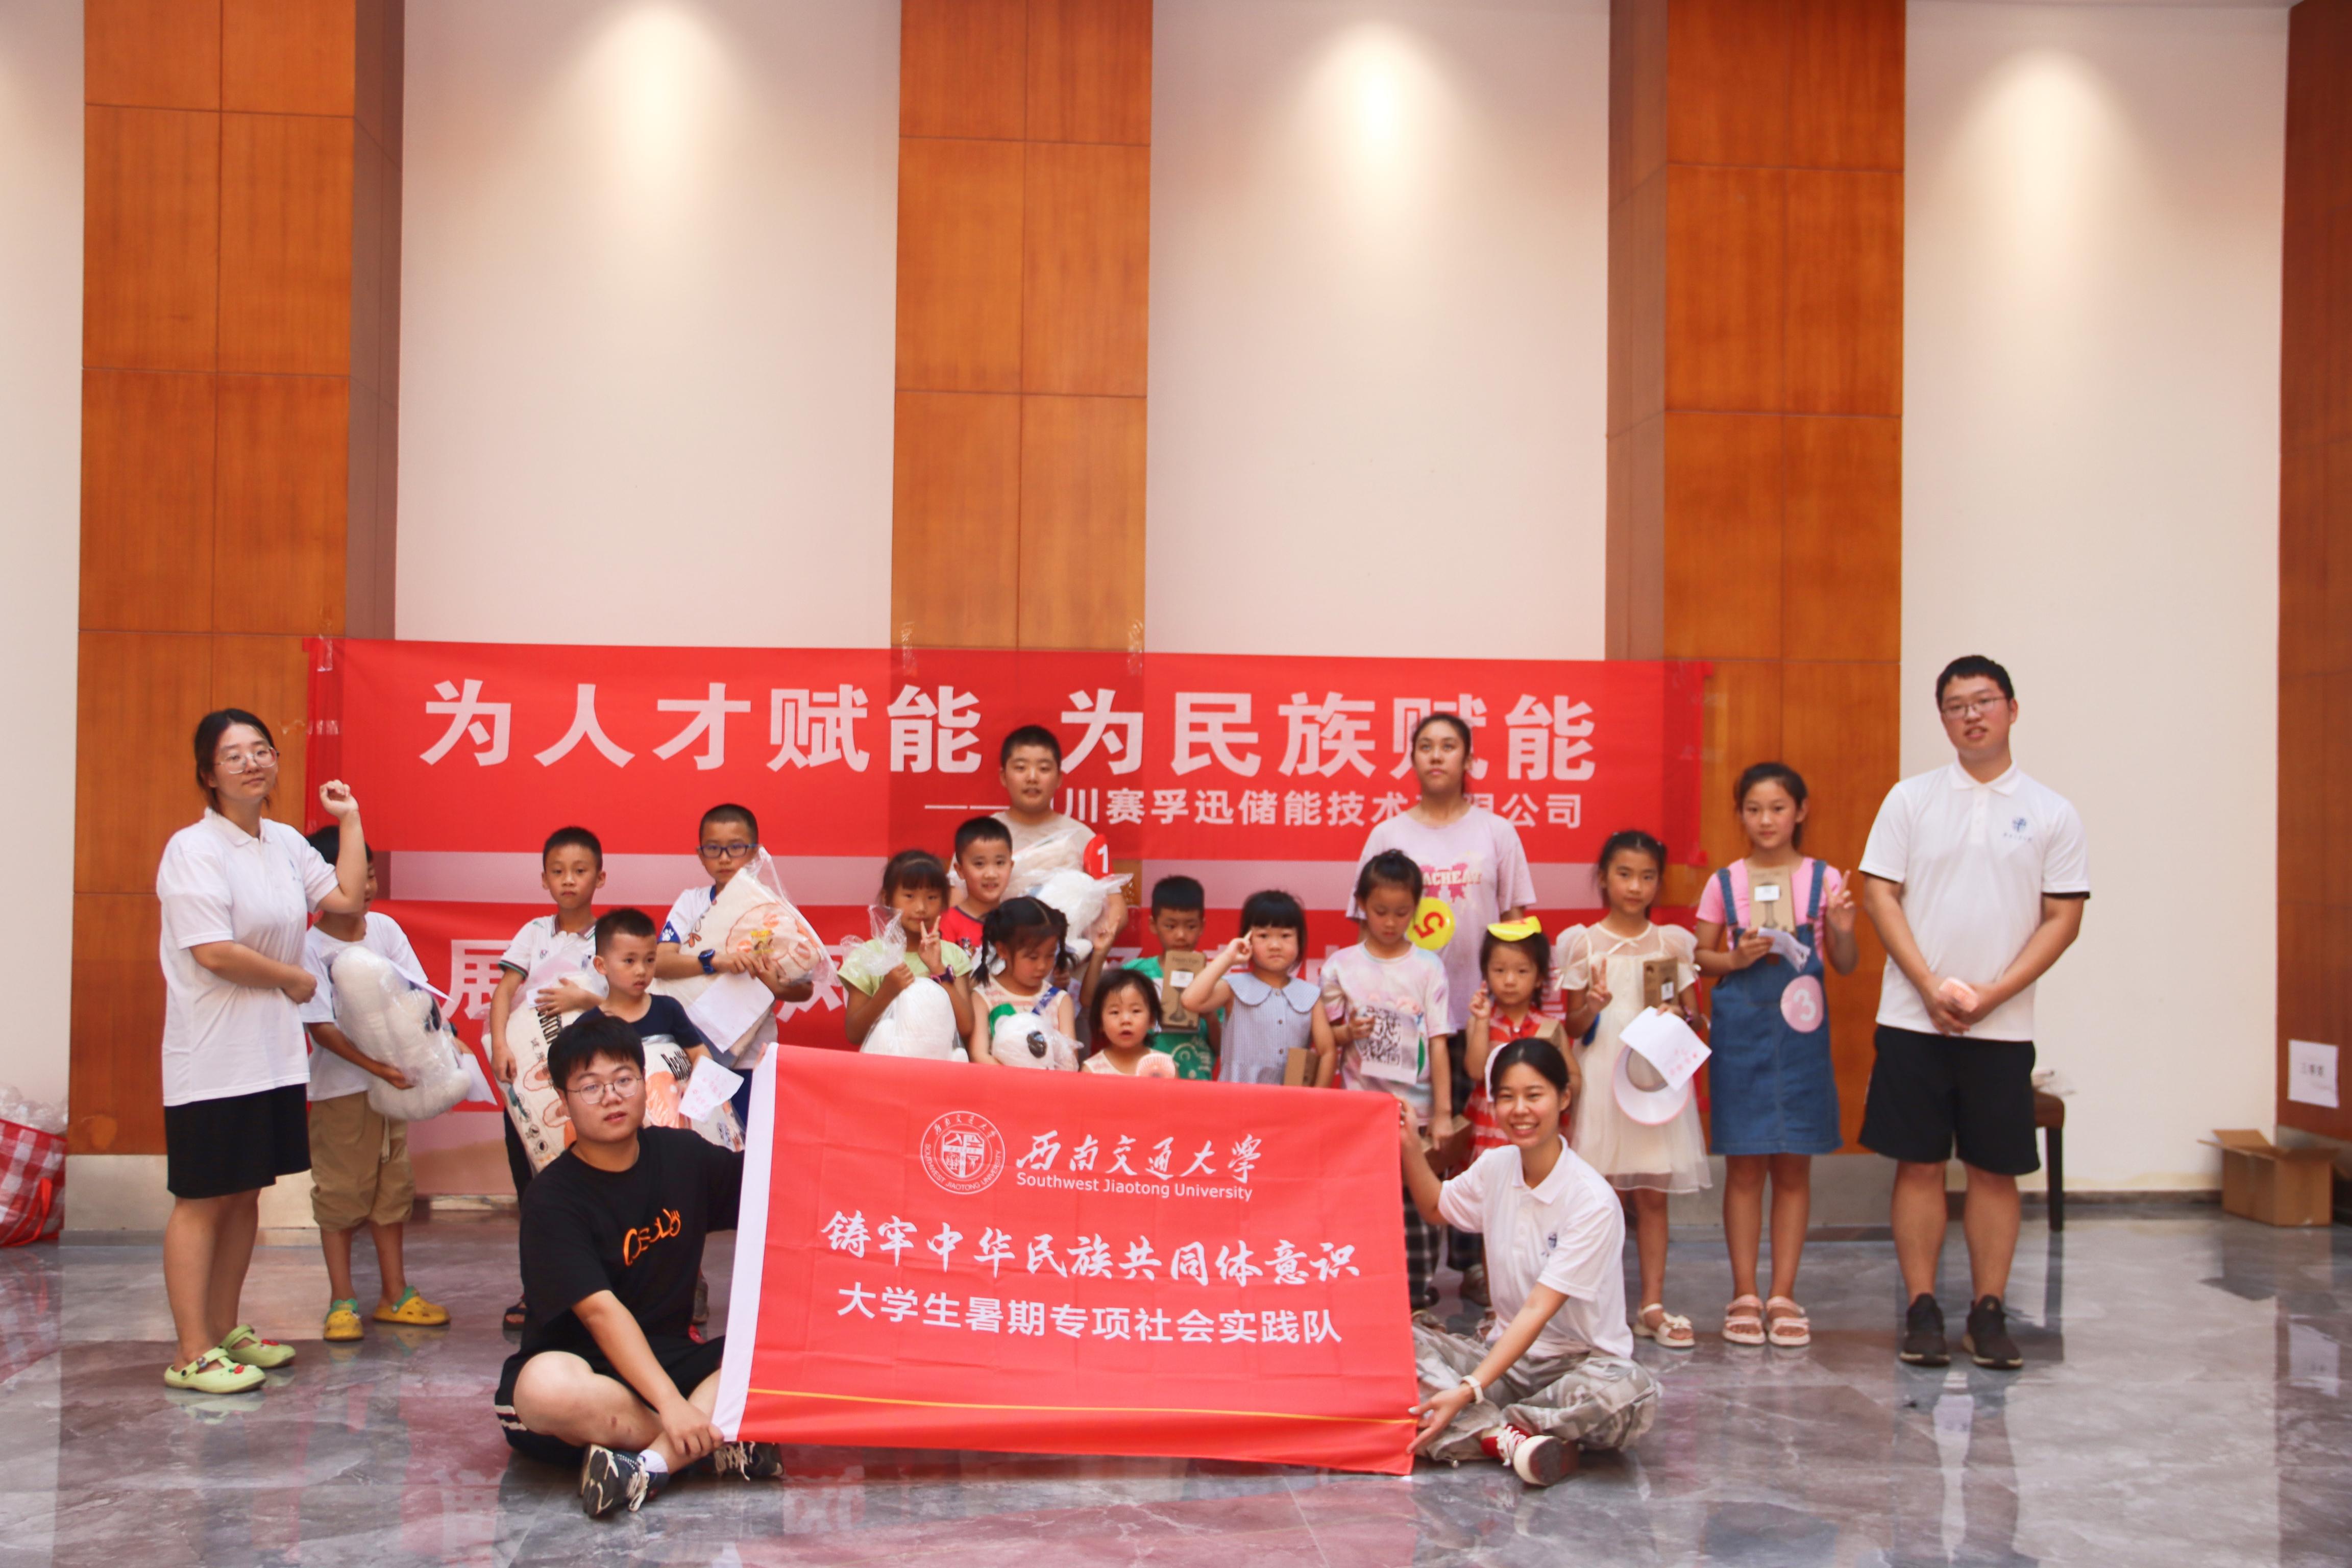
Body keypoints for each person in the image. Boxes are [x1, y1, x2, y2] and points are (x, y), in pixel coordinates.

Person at [1856, 655, 2088, 1371]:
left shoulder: (2051, 812)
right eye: (1956, 706)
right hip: (1912, 1017)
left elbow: (2063, 918)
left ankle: (1988, 1312)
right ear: (1944, 719)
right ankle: (1922, 1308)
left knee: (1994, 1169)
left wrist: (1993, 994)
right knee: (1920, 1164)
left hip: (2001, 1025)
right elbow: (1879, 894)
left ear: (2012, 709)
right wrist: (1928, 985)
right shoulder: (1911, 800)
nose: (1971, 716)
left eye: (1984, 701)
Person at [154, 708, 369, 1393]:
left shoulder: (283, 842)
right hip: (212, 1055)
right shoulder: (193, 849)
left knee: (245, 1192)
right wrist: (293, 979)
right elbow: (213, 952)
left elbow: (346, 898)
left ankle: (224, 1330)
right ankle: (191, 1351)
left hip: (270, 1055)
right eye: (234, 755)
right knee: (202, 1197)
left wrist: (351, 820)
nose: (252, 763)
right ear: (208, 774)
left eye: (261, 750)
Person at [494, 1011, 783, 1517]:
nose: (611, 1096)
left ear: (643, 1083)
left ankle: (649, 1465)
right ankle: (705, 1446)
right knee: (545, 1387)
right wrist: (672, 1407)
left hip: (673, 1359)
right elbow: (600, 1313)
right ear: (563, 1100)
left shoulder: (682, 1156)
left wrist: (788, 1106)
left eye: (624, 1079)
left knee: (775, 1351)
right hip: (586, 1373)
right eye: (591, 1087)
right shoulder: (552, 1199)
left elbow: (772, 1187)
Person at [1397, 1036, 1659, 1486]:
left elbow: (1538, 1309)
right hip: (1504, 1361)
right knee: (1398, 1343)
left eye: (1534, 1095)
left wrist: (1469, 1390)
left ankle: (1482, 1429)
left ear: (1563, 1098)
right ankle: (1515, 1439)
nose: (1520, 1110)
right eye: (1507, 1097)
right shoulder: (1495, 1166)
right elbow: (1436, 1206)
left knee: (1630, 1392)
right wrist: (1408, 1146)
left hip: (1578, 1368)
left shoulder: (1592, 1201)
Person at [1351, 712, 1535, 1292]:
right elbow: (1365, 925)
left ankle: (1478, 1262)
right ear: (1412, 760)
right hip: (1406, 1017)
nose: (1436, 756)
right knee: (1422, 1140)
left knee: (1481, 1137)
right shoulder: (1387, 835)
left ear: (1468, 759)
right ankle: (1414, 1271)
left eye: (1449, 746)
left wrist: (1511, 1003)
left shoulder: (1497, 832)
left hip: (1480, 1012)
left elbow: (1516, 922)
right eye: (1425, 746)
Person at [1692, 763, 1859, 1349]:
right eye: (1754, 809)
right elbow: (1699, 958)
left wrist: (1843, 927)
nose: (1766, 820)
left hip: (1802, 1038)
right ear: (1740, 814)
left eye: (1778, 808)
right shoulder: (1725, 882)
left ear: (1801, 812)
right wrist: (1735, 960)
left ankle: (1783, 1294)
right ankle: (1744, 1293)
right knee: (1744, 1166)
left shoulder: (1824, 878)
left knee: (1793, 1166)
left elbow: (1845, 964)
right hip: (1741, 1035)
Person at [295, 826, 451, 1343]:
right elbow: (321, 1027)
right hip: (342, 1091)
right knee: (341, 1193)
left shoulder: (384, 929)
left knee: (392, 1190)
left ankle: (395, 1294)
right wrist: (376, 1066)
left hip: (396, 1090)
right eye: (353, 874)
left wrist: (436, 1051)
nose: (366, 885)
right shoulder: (309, 946)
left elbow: (418, 996)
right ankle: (342, 1301)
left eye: (370, 873)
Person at [1558, 829, 1707, 1351]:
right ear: (1603, 878)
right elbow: (1572, 1026)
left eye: (1647, 876)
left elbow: (1695, 1018)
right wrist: (1593, 1006)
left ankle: (1652, 1306)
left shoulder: (1672, 944)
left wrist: (1680, 1015)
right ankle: (1599, 1308)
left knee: (1652, 1198)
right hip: (1602, 1077)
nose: (1635, 886)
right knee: (1600, 1201)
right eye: (1624, 874)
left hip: (1651, 1078)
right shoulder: (1583, 943)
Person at [487, 825, 607, 1330]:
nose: (569, 880)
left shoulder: (610, 936)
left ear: (601, 878)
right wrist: (499, 1045)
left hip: (591, 1085)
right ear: (543, 879)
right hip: (531, 1084)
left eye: (580, 871)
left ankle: (600, 1293)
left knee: (597, 1189)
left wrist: (585, 998)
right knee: (534, 1190)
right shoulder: (534, 933)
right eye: (558, 871)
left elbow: (633, 994)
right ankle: (538, 1290)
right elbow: (504, 992)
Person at [1322, 851, 1452, 1310]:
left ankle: (1415, 1299)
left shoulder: (1428, 967)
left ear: (1417, 908)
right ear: (1361, 904)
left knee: (1418, 1207)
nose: (1391, 922)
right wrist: (1348, 1032)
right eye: (1380, 911)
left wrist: (1443, 1113)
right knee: (1362, 1202)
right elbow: (1326, 1039)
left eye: (1402, 912)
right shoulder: (1340, 966)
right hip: (1360, 1109)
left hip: (1415, 1110)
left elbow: (1439, 1041)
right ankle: (1363, 1293)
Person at [653, 803, 815, 1073]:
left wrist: (777, 987)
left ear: (755, 853)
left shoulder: (774, 911)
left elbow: (805, 988)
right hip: (690, 1046)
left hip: (753, 1055)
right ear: (700, 855)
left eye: (736, 848)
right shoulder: (691, 902)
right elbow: (659, 963)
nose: (725, 858)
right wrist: (714, 962)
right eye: (713, 849)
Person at [994, 725, 1125, 1000]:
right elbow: (959, 904)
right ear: (1004, 777)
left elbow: (1116, 907)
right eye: (1021, 768)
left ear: (1059, 778)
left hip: (1067, 985)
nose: (1032, 777)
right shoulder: (986, 836)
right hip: (999, 979)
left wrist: (1084, 948)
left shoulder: (1082, 837)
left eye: (1043, 768)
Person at [1181, 890, 1336, 1088]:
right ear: (1247, 940)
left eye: (1286, 936)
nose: (1275, 945)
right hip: (1237, 1099)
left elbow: (1327, 1052)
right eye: (1263, 936)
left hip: (1290, 1102)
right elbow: (1190, 1001)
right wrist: (1228, 957)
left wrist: (1315, 1098)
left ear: (1300, 940)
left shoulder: (1310, 996)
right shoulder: (1234, 988)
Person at [843, 849, 975, 1054]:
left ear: (944, 901)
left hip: (938, 1067)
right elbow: (854, 1033)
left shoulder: (953, 955)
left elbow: (966, 1027)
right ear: (888, 899)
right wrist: (888, 991)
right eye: (910, 896)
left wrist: (939, 971)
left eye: (932, 897)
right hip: (885, 1068)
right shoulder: (869, 955)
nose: (921, 907)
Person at [1123, 875, 1217, 1079]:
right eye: (1171, 926)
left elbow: (1222, 1049)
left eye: (1190, 926)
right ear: (1153, 924)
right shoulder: (1135, 974)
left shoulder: (1214, 981)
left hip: (1196, 1082)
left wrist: (1210, 1017)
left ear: (1202, 926)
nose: (1181, 935)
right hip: (1143, 1081)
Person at [968, 897, 1077, 1065]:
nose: (1042, 966)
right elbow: (978, 1055)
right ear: (1003, 950)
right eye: (1033, 957)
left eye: (1050, 955)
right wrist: (1017, 1079)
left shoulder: (1060, 1001)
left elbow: (1069, 1061)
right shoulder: (985, 998)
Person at [940, 815, 1014, 952]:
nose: (991, 874)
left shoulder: (1018, 923)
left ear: (1011, 866)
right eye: (979, 864)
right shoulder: (947, 923)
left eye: (1000, 863)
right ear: (960, 870)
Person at [1081, 969, 1171, 1076]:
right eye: (1115, 1012)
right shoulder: (1091, 1070)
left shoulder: (1165, 1067)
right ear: (1100, 1022)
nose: (1126, 1020)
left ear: (1151, 1020)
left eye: (1136, 1011)